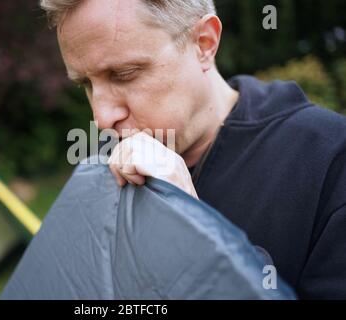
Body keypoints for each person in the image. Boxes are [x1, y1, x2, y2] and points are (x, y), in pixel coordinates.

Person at [39, 0, 346, 299]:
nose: (102, 118)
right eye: (87, 85)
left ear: (204, 43)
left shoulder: (330, 160)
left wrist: (194, 236)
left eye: (124, 74)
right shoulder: (108, 168)